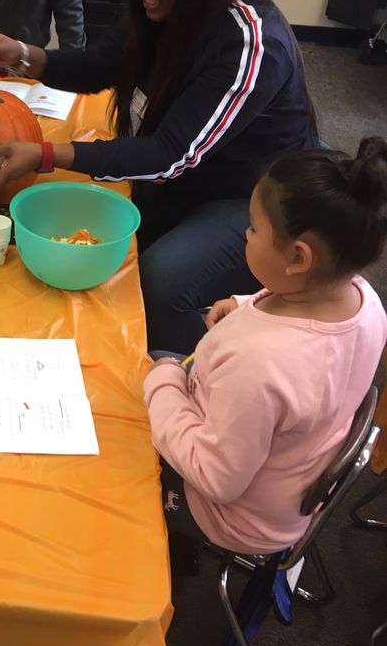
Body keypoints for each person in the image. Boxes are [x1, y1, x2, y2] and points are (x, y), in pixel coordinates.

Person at [0, 0, 319, 353]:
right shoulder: (161, 12)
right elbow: (97, 66)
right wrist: (24, 56)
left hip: (258, 199)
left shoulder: (252, 42)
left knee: (161, 280)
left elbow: (168, 154)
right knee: (110, 247)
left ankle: (211, 374)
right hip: (192, 180)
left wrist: (46, 154)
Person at [143, 137, 387, 555]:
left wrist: (161, 383)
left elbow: (215, 477)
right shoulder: (364, 301)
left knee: (117, 428)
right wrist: (242, 304)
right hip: (282, 476)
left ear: (297, 258)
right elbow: (298, 324)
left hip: (228, 515)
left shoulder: (260, 365)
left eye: (254, 227)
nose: (245, 233)